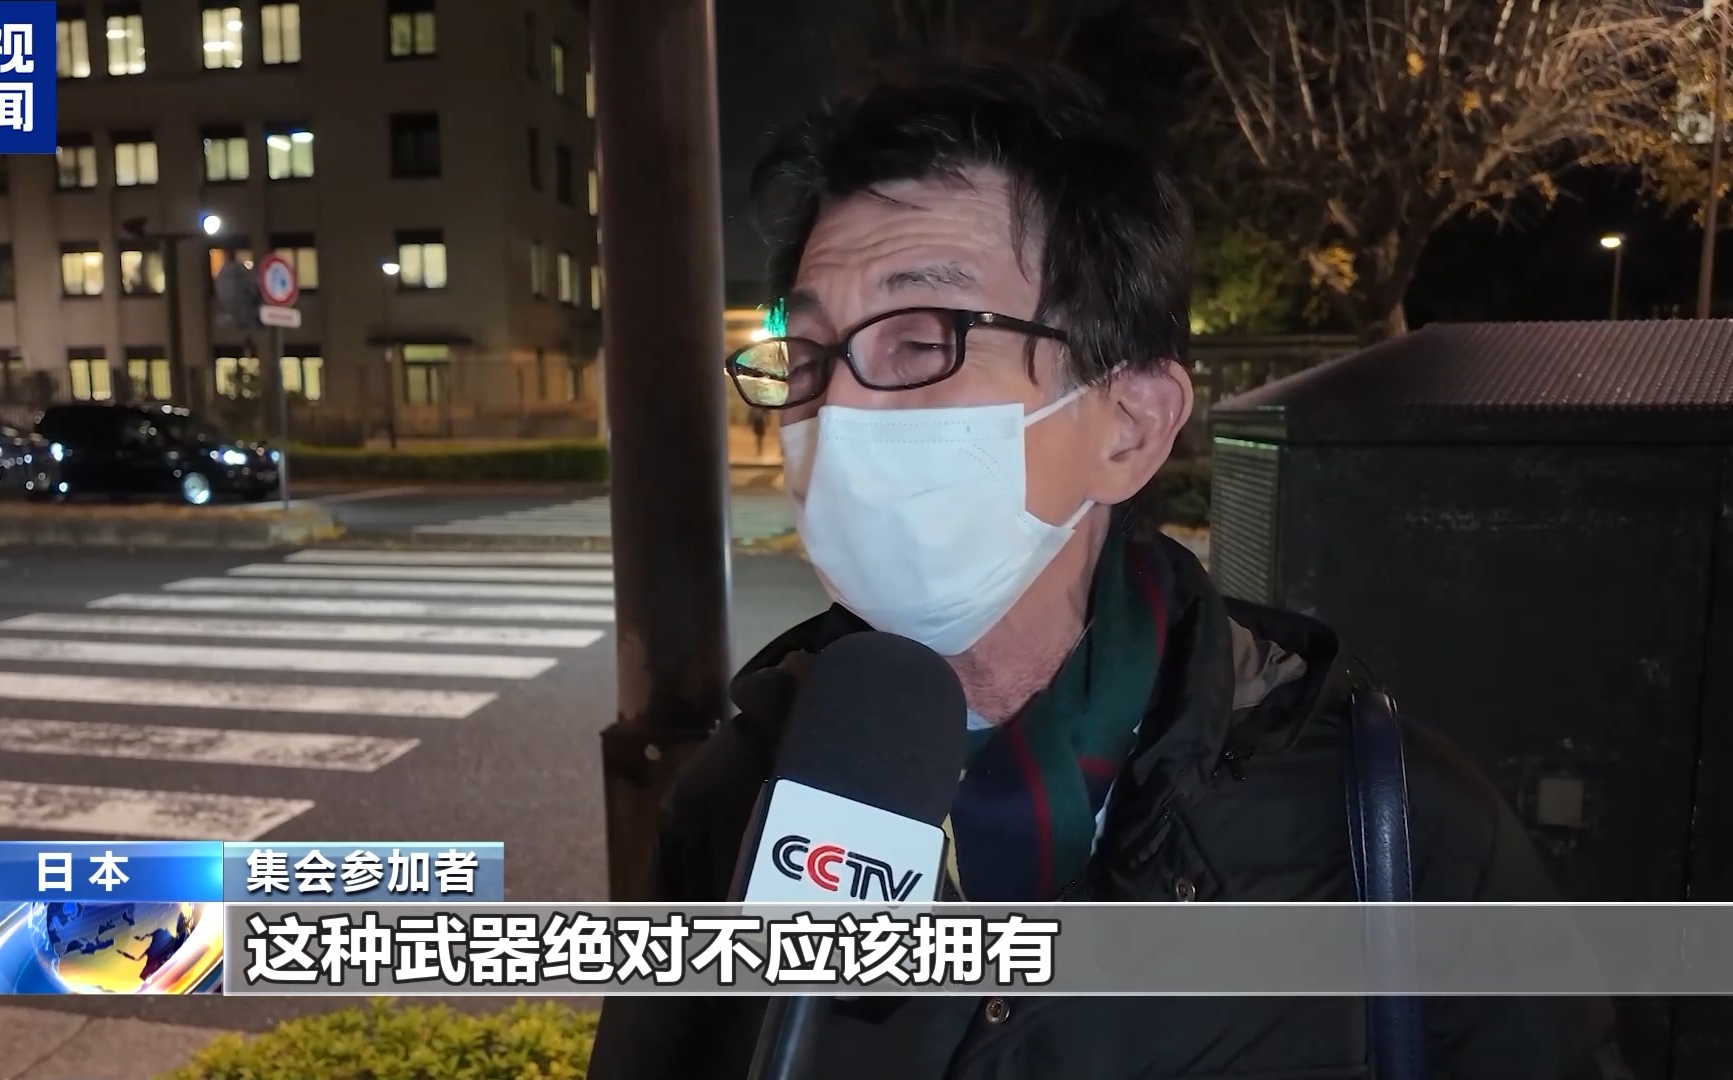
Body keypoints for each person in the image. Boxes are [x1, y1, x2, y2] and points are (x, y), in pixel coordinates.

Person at [587, 62, 1621, 1080]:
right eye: (810, 357)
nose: (839, 411)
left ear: (1129, 426)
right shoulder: (742, 796)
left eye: (923, 340)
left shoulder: (1396, 828)